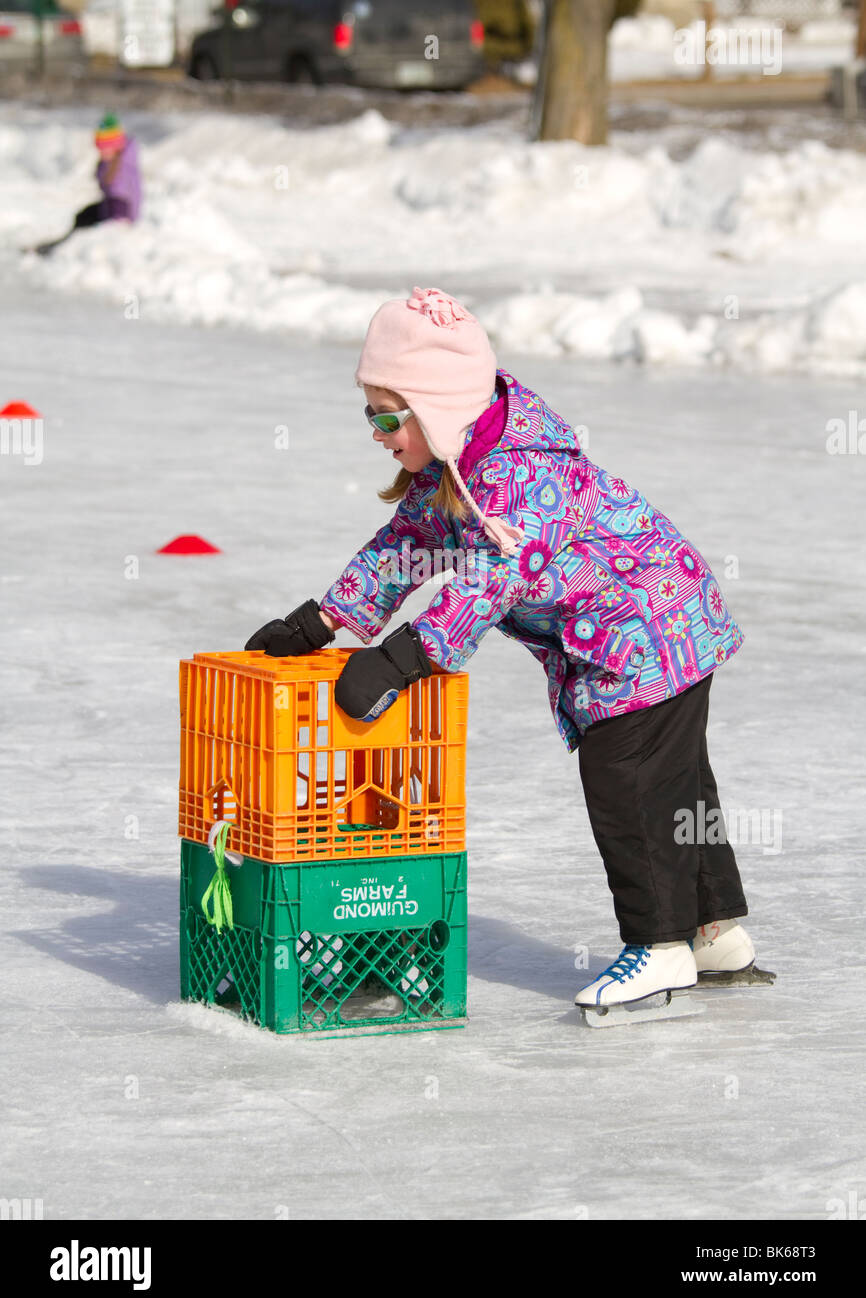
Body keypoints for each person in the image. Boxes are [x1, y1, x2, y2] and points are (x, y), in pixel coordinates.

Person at [245, 286, 767, 1018]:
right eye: (369, 414)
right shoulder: (457, 469)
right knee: (676, 781)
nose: (376, 431)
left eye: (388, 416)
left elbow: (492, 582)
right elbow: (403, 550)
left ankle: (660, 946)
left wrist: (401, 659)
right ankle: (713, 932)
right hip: (652, 629)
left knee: (628, 780)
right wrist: (321, 621)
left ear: (437, 405)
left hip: (649, 632)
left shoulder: (523, 471)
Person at [34, 113, 142, 256]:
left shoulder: (122, 169)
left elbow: (120, 202)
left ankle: (66, 250)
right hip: (108, 207)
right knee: (82, 216)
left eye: (106, 147)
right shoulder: (109, 163)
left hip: (118, 212)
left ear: (116, 146)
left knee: (85, 221)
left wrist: (115, 229)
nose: (102, 151)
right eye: (100, 147)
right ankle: (64, 246)